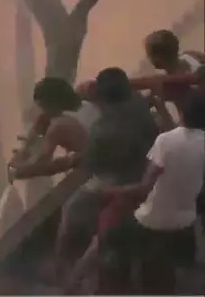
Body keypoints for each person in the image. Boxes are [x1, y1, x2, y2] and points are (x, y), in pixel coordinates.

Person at [53, 68, 161, 282]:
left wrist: (69, 160)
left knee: (71, 210)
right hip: (148, 167)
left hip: (120, 179)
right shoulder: (138, 101)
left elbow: (91, 166)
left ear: (100, 95)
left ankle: (61, 268)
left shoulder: (102, 130)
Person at [101, 92, 205, 294]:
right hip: (185, 221)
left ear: (182, 112)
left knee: (109, 236)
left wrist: (112, 191)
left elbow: (143, 188)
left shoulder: (164, 141)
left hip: (152, 221)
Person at [9, 77, 100, 182]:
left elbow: (44, 164)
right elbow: (42, 119)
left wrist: (17, 171)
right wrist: (26, 148)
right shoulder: (85, 105)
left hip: (97, 171)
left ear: (49, 104)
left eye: (41, 106)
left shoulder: (59, 126)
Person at [143, 29, 204, 124]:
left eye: (150, 55)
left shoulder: (161, 84)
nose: (148, 58)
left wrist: (160, 107)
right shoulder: (193, 56)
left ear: (159, 57)